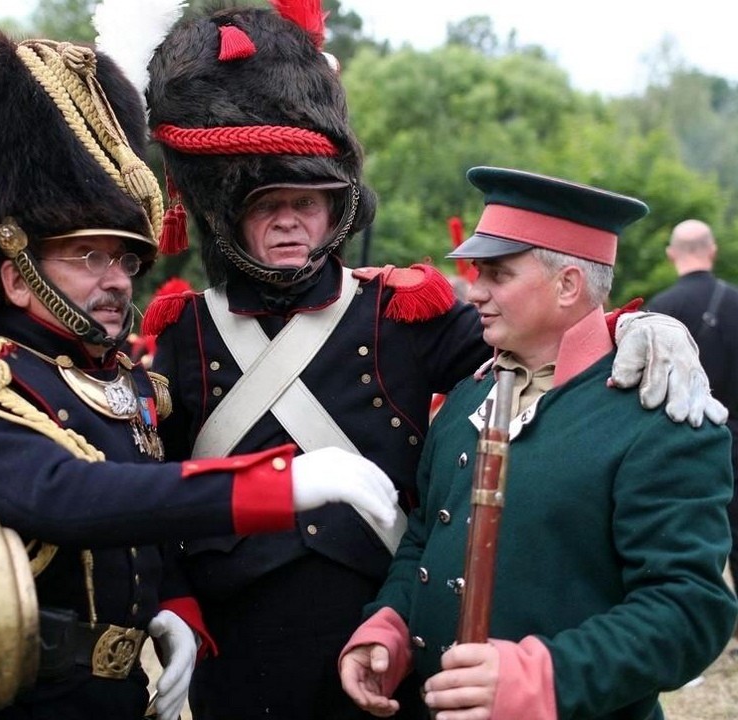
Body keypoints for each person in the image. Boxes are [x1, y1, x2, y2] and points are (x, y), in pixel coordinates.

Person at [138, 3, 728, 719]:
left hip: (377, 652)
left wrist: (641, 327)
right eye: (267, 202)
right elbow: (150, 490)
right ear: (225, 210)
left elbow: (548, 349)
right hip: (242, 647)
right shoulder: (183, 331)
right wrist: (172, 602)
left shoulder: (404, 311)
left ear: (339, 210)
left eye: (309, 200)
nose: (292, 220)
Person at [0, 28, 399, 720]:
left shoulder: (123, 384)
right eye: (86, 258)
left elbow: (145, 524)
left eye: (125, 259)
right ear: (17, 278)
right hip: (7, 697)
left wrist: (172, 603)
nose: (116, 281)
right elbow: (71, 497)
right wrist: (281, 485)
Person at [338, 167, 737, 720]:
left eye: (497, 275)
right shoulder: (463, 400)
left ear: (568, 284)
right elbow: (426, 540)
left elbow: (690, 610)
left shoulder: (660, 418)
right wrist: (393, 628)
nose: (474, 292)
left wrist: (542, 678)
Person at [647, 219, 738, 595]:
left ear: (671, 254)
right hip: (735, 438)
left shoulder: (658, 312)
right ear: (712, 250)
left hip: (677, 444)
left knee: (684, 540)